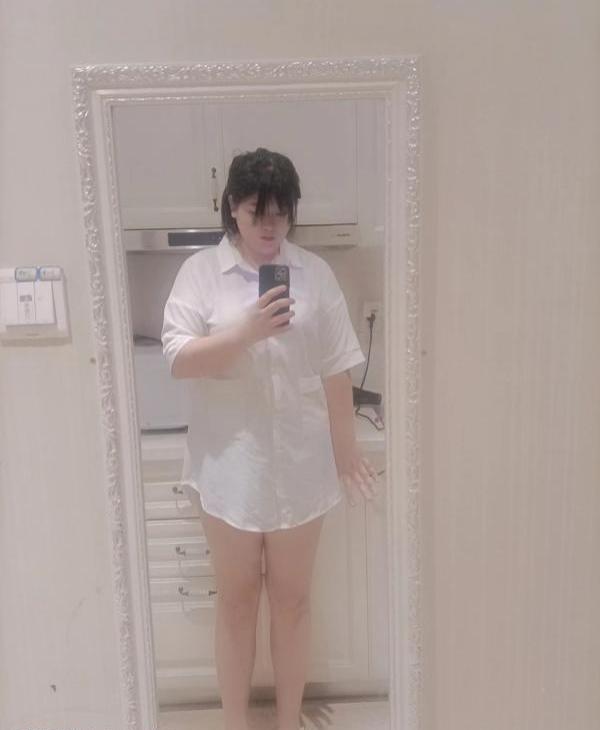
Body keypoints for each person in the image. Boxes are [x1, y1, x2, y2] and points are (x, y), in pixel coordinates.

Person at [161, 147, 380, 730]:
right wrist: (248, 330)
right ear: (232, 206)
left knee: (292, 601)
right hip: (228, 466)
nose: (270, 227)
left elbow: (336, 366)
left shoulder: (314, 273)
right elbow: (179, 359)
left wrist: (346, 450)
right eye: (258, 213)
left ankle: (287, 721)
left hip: (301, 465)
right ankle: (235, 723)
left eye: (281, 214)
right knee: (236, 603)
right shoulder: (201, 273)